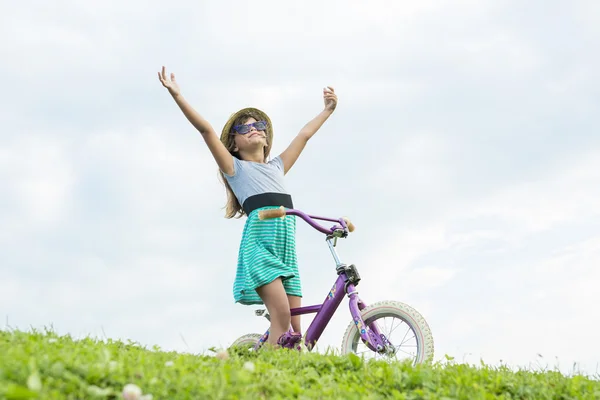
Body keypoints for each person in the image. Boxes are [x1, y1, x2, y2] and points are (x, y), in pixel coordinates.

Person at [157, 66, 338, 347]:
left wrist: (327, 110)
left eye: (259, 126)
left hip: (286, 247)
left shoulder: (278, 166)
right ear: (235, 143)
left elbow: (303, 135)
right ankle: (264, 375)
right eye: (245, 127)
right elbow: (206, 130)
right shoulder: (235, 169)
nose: (253, 129)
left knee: (297, 332)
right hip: (260, 248)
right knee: (281, 317)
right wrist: (177, 95)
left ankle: (287, 367)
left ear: (266, 138)